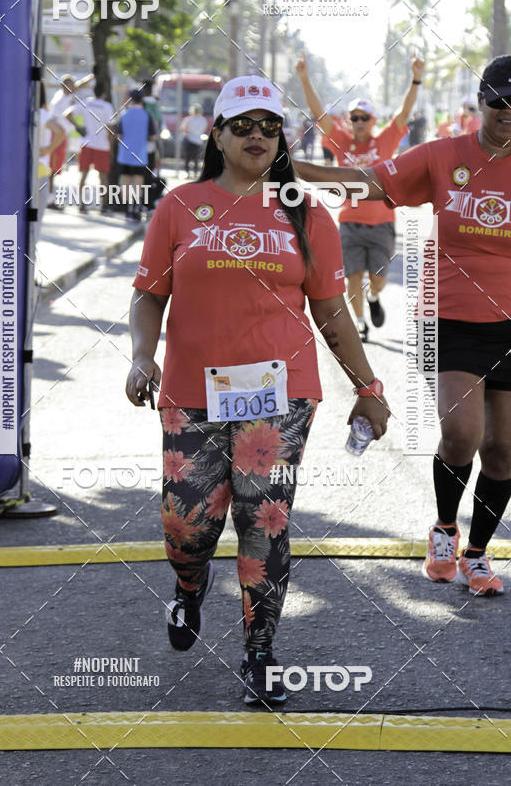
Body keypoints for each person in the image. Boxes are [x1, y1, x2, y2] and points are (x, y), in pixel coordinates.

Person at [125, 75, 390, 706]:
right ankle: (189, 587)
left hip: (280, 390)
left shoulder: (305, 212)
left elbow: (331, 308)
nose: (257, 135)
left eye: (269, 125)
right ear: (217, 135)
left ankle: (261, 651)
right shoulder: (180, 206)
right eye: (242, 124)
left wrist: (368, 385)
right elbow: (149, 294)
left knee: (261, 517)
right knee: (187, 523)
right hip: (192, 389)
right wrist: (141, 355)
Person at [295, 55, 511, 597]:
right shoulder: (444, 155)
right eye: (499, 103)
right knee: (462, 434)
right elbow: (367, 182)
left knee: (504, 450)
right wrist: (294, 168)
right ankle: (445, 529)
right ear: (481, 103)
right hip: (453, 315)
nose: (507, 113)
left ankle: (477, 555)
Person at [296, 51, 424, 341]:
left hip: (382, 224)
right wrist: (304, 79)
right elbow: (320, 115)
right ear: (349, 121)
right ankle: (361, 321)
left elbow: (404, 113)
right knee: (352, 276)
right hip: (350, 223)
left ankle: (374, 298)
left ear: (373, 120)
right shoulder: (341, 141)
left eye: (364, 117)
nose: (359, 122)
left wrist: (415, 79)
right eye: (354, 117)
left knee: (377, 279)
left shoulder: (385, 141)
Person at [48, 72, 94, 208]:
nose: (75, 87)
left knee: (55, 167)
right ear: (66, 86)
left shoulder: (62, 94)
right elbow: (65, 116)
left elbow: (80, 85)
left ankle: (50, 198)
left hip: (60, 135)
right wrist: (78, 127)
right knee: (53, 168)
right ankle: (50, 200)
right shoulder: (62, 98)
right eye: (72, 85)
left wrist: (92, 76)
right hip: (57, 135)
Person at [117, 88, 157, 222]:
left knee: (126, 182)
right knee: (138, 183)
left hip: (125, 154)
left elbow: (119, 135)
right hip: (140, 155)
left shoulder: (124, 114)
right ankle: (136, 208)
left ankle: (128, 210)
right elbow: (153, 136)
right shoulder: (147, 115)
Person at [77, 84, 115, 213]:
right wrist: (111, 147)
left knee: (84, 174)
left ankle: (81, 204)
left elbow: (68, 114)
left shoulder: (86, 102)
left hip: (87, 143)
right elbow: (110, 128)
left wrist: (79, 128)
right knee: (103, 176)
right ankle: (104, 206)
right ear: (104, 93)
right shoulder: (107, 106)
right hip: (102, 145)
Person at [36, 85, 64, 241]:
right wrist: (48, 149)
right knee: (36, 221)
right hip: (40, 170)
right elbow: (60, 131)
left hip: (21, 170)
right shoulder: (42, 114)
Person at [180, 103, 207, 177]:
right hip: (199, 141)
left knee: (187, 158)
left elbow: (183, 129)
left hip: (189, 140)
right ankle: (196, 173)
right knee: (196, 158)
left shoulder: (188, 119)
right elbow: (204, 129)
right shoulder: (203, 120)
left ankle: (187, 173)